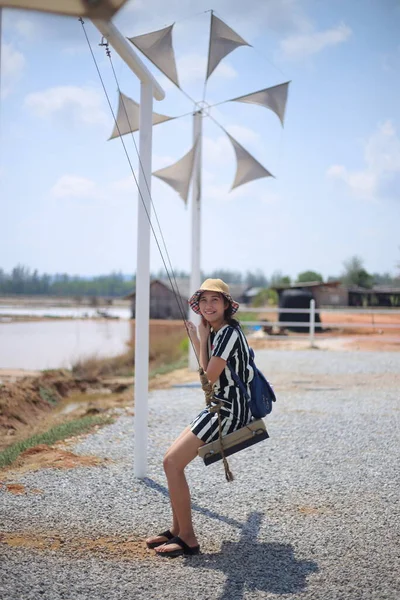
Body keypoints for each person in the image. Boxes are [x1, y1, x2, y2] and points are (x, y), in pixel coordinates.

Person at [145, 279, 254, 558]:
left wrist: (202, 339)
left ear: (227, 305)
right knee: (170, 461)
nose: (208, 305)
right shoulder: (218, 332)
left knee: (172, 463)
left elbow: (209, 376)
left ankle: (189, 539)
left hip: (230, 410)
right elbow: (208, 370)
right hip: (220, 405)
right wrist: (199, 338)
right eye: (203, 300)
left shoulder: (227, 333)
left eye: (215, 300)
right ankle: (177, 529)